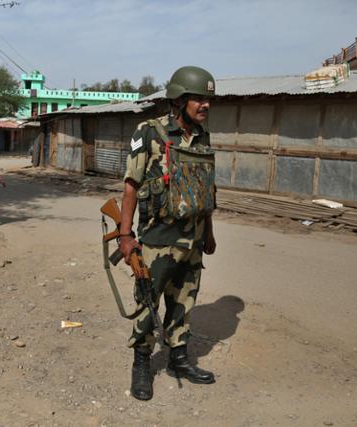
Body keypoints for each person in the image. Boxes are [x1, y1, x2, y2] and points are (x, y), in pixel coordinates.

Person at [118, 66, 218, 401]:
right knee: (148, 302)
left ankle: (178, 359)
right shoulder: (149, 131)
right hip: (157, 239)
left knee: (184, 301)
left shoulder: (202, 137)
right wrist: (125, 234)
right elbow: (131, 185)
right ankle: (142, 362)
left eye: (208, 99)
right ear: (180, 100)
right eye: (199, 98)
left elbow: (206, 188)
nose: (205, 105)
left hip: (193, 238)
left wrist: (210, 232)